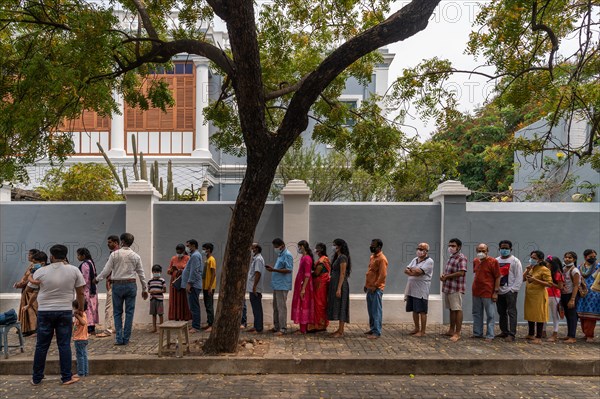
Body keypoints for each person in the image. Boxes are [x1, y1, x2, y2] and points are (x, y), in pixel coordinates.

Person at [30, 244, 85, 386]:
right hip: (64, 311)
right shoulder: (74, 270)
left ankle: (37, 377)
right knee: (64, 344)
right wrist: (80, 308)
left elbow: (32, 289)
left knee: (41, 345)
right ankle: (66, 377)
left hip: (44, 312)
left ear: (51, 256)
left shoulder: (41, 271)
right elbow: (80, 293)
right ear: (66, 256)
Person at [94, 233, 148, 346]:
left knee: (117, 313)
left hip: (117, 285)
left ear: (122, 241)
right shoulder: (136, 256)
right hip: (131, 285)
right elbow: (141, 273)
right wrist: (144, 288)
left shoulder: (114, 255)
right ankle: (126, 338)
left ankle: (119, 338)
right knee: (129, 313)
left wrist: (98, 279)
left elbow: (106, 270)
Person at [404, 242, 434, 337]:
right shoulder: (415, 259)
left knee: (422, 311)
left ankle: (422, 331)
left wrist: (412, 271)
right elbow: (406, 270)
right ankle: (416, 328)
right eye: (418, 248)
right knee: (414, 310)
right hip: (412, 289)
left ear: (426, 251)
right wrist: (414, 271)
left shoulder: (429, 261)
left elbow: (419, 272)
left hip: (421, 290)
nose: (419, 251)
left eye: (422, 249)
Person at [471, 243, 500, 341]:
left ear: (487, 251)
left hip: (488, 291)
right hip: (476, 291)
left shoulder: (493, 261)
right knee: (476, 313)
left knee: (490, 314)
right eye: (479, 251)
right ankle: (477, 333)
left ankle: (490, 334)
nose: (481, 253)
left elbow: (497, 277)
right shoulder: (476, 261)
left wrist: (495, 292)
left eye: (483, 251)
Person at [495, 240, 523, 342]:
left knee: (511, 312)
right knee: (501, 312)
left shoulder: (515, 261)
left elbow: (519, 277)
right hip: (499, 291)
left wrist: (513, 289)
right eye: (502, 248)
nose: (504, 250)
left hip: (510, 291)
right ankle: (504, 331)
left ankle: (512, 334)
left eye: (506, 248)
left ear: (510, 249)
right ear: (499, 249)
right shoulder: (496, 261)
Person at [441, 238, 468, 342]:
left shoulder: (461, 258)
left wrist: (447, 277)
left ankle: (458, 332)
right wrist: (444, 276)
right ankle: (451, 330)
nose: (450, 248)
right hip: (448, 287)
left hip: (456, 288)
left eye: (453, 246)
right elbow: (449, 271)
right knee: (452, 309)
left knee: (457, 309)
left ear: (459, 247)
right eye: (449, 245)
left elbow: (462, 272)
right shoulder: (451, 257)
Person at [523, 250, 553, 344]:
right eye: (531, 257)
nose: (532, 259)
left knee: (540, 315)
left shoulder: (544, 269)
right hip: (530, 295)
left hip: (539, 295)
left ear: (540, 260)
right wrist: (527, 270)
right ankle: (531, 334)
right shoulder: (531, 268)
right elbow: (523, 279)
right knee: (530, 314)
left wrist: (535, 280)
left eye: (534, 258)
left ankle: (538, 337)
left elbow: (549, 284)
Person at [265, 238, 293, 336]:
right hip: (277, 284)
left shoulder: (287, 255)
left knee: (281, 307)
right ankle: (276, 326)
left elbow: (289, 270)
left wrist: (274, 270)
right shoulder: (280, 255)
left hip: (282, 285)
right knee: (276, 307)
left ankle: (283, 328)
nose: (275, 249)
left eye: (276, 247)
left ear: (281, 246)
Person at [327, 238, 351, 338]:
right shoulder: (338, 256)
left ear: (339, 246)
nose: (333, 247)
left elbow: (342, 273)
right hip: (335, 284)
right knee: (337, 305)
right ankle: (339, 329)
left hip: (341, 285)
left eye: (334, 245)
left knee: (342, 306)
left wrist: (339, 288)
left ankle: (341, 331)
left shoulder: (343, 258)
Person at [364, 239, 388, 339]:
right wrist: (367, 285)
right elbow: (370, 272)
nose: (371, 246)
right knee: (371, 310)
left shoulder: (382, 259)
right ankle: (373, 328)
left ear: (379, 247)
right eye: (371, 244)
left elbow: (383, 275)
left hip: (376, 289)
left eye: (373, 245)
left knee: (376, 310)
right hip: (370, 287)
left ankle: (377, 332)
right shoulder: (372, 257)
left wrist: (375, 285)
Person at [96, 235, 119, 338]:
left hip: (113, 283)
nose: (108, 244)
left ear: (115, 242)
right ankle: (118, 328)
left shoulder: (114, 254)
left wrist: (101, 279)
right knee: (118, 307)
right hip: (119, 283)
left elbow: (108, 270)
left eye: (110, 242)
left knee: (109, 307)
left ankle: (108, 329)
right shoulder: (120, 253)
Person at [14, 249, 41, 336]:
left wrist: (20, 284)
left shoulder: (36, 266)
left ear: (34, 256)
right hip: (26, 290)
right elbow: (26, 277)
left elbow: (31, 279)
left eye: (29, 255)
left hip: (31, 291)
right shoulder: (31, 265)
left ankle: (32, 329)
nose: (28, 256)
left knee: (31, 309)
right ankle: (25, 328)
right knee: (26, 309)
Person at [291, 240, 315, 334]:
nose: (298, 249)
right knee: (300, 305)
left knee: (303, 305)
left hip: (305, 285)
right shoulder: (303, 257)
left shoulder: (307, 258)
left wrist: (304, 288)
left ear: (303, 247)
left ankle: (303, 329)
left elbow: (307, 275)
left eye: (299, 247)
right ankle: (302, 327)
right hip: (300, 284)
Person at [577, 249, 600, 342]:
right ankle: (586, 334)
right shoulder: (580, 267)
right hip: (582, 293)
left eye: (594, 257)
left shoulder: (598, 267)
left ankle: (590, 335)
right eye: (591, 257)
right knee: (582, 313)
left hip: (594, 294)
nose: (593, 258)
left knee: (591, 315)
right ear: (585, 257)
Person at [181, 239, 203, 333]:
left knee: (194, 307)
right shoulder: (193, 256)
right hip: (193, 285)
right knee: (193, 306)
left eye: (188, 245)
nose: (187, 247)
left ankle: (196, 326)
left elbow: (194, 271)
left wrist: (189, 283)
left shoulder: (195, 256)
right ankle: (195, 325)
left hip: (193, 285)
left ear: (193, 245)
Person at [76, 247, 99, 335]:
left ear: (83, 256)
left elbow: (84, 279)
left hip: (87, 290)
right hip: (92, 289)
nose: (77, 257)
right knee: (92, 309)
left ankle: (88, 327)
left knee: (87, 309)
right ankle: (91, 327)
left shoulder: (85, 265)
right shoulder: (91, 263)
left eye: (78, 255)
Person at [308, 243, 331, 333]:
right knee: (320, 304)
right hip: (321, 284)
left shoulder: (322, 260)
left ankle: (319, 325)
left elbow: (317, 273)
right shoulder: (324, 259)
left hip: (320, 286)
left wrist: (308, 274)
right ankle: (320, 324)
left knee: (319, 304)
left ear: (321, 249)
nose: (315, 250)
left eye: (317, 248)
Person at [167, 244, 191, 321]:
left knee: (183, 298)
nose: (178, 253)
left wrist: (180, 270)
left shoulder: (187, 258)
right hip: (174, 282)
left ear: (183, 251)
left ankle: (184, 317)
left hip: (182, 281)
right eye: (177, 252)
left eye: (180, 252)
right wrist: (172, 270)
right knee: (175, 299)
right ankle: (175, 316)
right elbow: (168, 271)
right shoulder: (173, 258)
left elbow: (189, 270)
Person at [245, 243, 265, 333]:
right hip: (252, 287)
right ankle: (256, 326)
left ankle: (258, 328)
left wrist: (254, 286)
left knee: (257, 308)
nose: (251, 250)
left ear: (256, 249)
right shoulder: (255, 259)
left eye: (252, 248)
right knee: (255, 308)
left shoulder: (258, 259)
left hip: (255, 288)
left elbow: (258, 273)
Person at [561, 251, 581, 343]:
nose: (567, 259)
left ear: (574, 259)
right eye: (566, 257)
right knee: (567, 315)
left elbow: (576, 285)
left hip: (572, 294)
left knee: (572, 315)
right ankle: (569, 334)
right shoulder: (564, 268)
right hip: (564, 294)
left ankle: (572, 336)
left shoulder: (575, 271)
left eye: (570, 258)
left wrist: (572, 299)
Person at [545, 256, 564, 342]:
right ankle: (543, 331)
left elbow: (560, 287)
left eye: (548, 262)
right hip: (546, 294)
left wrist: (550, 283)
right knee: (544, 313)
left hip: (554, 295)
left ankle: (555, 333)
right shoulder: (546, 272)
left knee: (554, 314)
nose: (546, 264)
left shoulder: (557, 273)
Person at [201, 243, 217, 332]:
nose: (203, 251)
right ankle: (209, 323)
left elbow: (213, 273)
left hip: (209, 287)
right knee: (207, 305)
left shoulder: (212, 260)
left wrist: (210, 286)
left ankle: (212, 325)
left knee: (209, 305)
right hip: (205, 286)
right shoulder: (207, 260)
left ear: (209, 250)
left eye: (204, 249)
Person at [72, 299, 89, 378]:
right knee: (84, 355)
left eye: (74, 308)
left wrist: (77, 316)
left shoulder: (80, 316)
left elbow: (83, 323)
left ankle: (81, 372)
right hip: (83, 338)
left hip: (79, 339)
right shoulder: (83, 314)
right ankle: (85, 371)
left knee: (80, 356)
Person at [148, 264, 167, 333]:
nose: (156, 273)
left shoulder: (162, 280)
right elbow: (148, 290)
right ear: (152, 272)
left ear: (160, 272)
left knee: (160, 314)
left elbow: (164, 290)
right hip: (152, 299)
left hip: (159, 300)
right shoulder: (150, 281)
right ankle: (154, 328)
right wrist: (151, 291)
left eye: (158, 272)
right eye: (155, 271)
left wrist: (157, 291)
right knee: (153, 314)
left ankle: (161, 328)